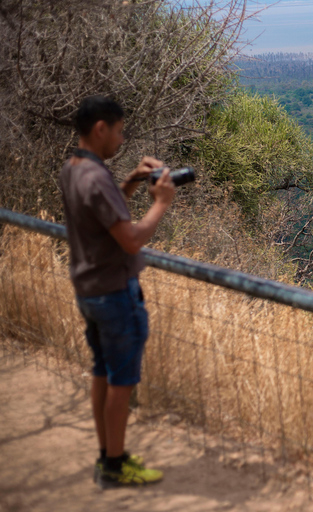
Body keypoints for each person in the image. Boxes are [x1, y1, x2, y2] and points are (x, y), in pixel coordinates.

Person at [59, 95, 176, 489]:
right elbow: (129, 239)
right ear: (100, 129)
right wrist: (161, 203)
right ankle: (114, 464)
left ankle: (107, 454)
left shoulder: (75, 169)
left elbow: (102, 216)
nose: (122, 140)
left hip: (89, 289)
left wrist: (127, 182)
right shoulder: (94, 177)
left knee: (101, 372)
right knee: (121, 380)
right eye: (120, 131)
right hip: (113, 292)